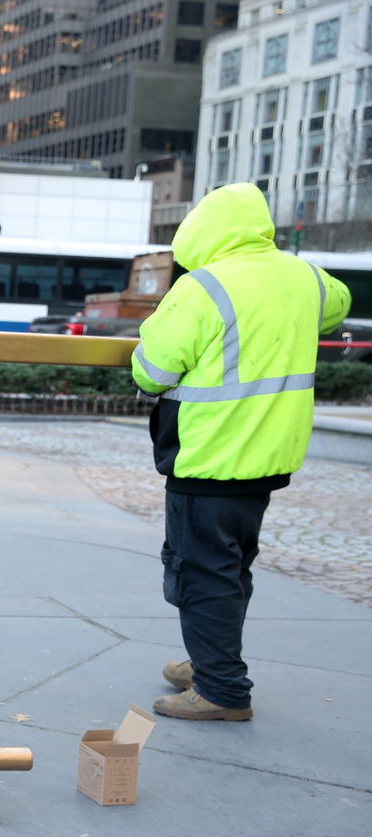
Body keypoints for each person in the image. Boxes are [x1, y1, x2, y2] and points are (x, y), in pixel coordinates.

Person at [132, 183, 350, 722]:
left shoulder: (202, 287)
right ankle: (210, 661)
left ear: (201, 230)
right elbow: (339, 301)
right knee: (230, 567)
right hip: (267, 457)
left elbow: (152, 371)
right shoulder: (303, 278)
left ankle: (222, 689)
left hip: (210, 456)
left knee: (201, 573)